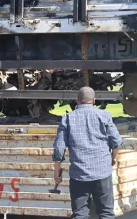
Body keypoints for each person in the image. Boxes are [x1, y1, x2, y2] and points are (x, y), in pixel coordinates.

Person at [52, 86, 124, 219]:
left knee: (80, 214)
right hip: (102, 173)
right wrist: (113, 158)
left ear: (77, 100)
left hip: (79, 175)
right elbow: (117, 142)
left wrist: (57, 171)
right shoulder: (104, 116)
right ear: (94, 101)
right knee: (106, 213)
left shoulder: (67, 119)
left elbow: (59, 148)